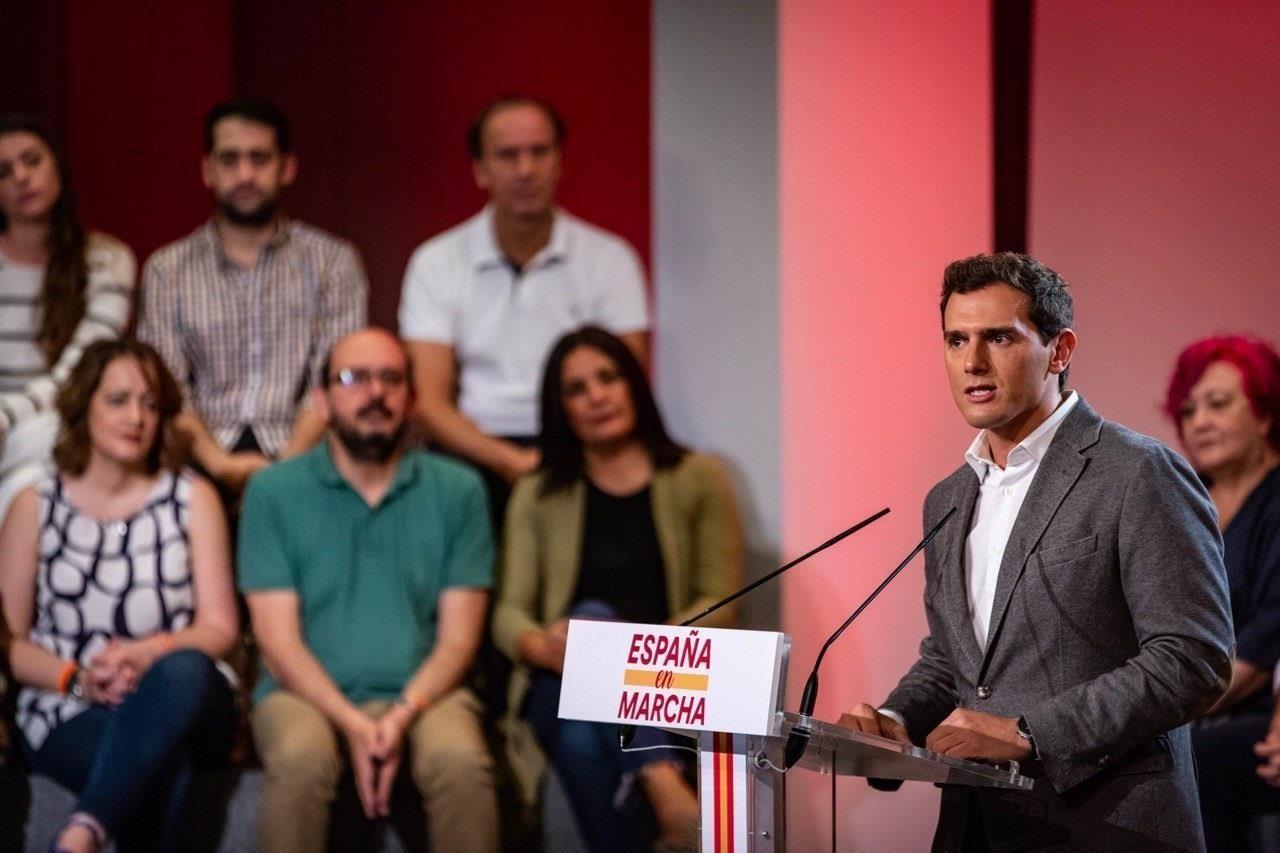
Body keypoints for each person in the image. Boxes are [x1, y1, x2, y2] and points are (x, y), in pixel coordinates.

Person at [839, 253, 1234, 850]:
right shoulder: (948, 498)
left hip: (1107, 823)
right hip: (979, 826)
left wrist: (1030, 731)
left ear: (1060, 350)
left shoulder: (1137, 473)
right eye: (955, 340)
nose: (972, 362)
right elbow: (957, 661)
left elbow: (1193, 658)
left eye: (999, 337)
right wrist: (894, 723)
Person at [239, 328, 499, 853]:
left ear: (411, 398)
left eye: (390, 379)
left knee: (459, 761)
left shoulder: (459, 490)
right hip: (302, 695)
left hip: (428, 693)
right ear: (321, 400)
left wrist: (401, 713)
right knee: (301, 756)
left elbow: (458, 640)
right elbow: (278, 642)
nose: (374, 393)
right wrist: (353, 722)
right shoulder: (273, 491)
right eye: (354, 378)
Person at [493, 325, 743, 852]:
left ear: (633, 384)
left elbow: (722, 599)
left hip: (673, 680)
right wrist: (543, 645)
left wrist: (635, 651)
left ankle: (654, 783)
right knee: (589, 620)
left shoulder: (698, 477)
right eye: (577, 389)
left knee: (583, 737)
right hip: (557, 681)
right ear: (560, 409)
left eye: (608, 378)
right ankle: (664, 783)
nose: (597, 396)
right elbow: (507, 612)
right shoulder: (538, 492)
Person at [0, 338, 239, 852]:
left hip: (182, 695)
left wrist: (144, 654)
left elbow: (219, 628)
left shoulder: (191, 497)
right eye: (118, 400)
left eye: (151, 404)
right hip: (68, 704)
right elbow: (9, 643)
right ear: (82, 405)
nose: (137, 417)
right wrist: (80, 680)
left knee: (185, 668)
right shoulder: (34, 505)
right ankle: (87, 831)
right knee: (162, 768)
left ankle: (83, 827)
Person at [399, 96, 649, 523]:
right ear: (480, 170)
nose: (526, 170)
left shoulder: (609, 259)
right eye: (508, 155)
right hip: (470, 453)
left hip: (581, 451)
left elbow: (627, 383)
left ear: (560, 161)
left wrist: (562, 463)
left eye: (539, 152)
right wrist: (510, 462)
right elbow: (429, 403)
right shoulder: (436, 261)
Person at [137, 98, 366, 502]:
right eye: (229, 160)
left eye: (259, 159)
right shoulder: (166, 269)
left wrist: (282, 470)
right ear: (207, 170)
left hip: (307, 457)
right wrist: (220, 464)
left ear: (287, 168)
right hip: (198, 460)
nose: (245, 174)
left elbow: (333, 381)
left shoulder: (333, 261)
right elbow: (166, 386)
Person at [1164, 335, 1280, 851]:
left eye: (1218, 403)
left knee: (1189, 756)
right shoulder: (1191, 504)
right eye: (1189, 409)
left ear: (1265, 413)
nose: (1200, 422)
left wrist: (1162, 713)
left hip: (1261, 708)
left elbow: (1267, 636)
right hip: (1204, 703)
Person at [0, 115, 135, 520]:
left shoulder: (108, 261)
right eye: (4, 171)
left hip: (56, 422)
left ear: (57, 166)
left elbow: (78, 373)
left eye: (32, 160)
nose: (21, 177)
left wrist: (5, 420)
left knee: (35, 462)